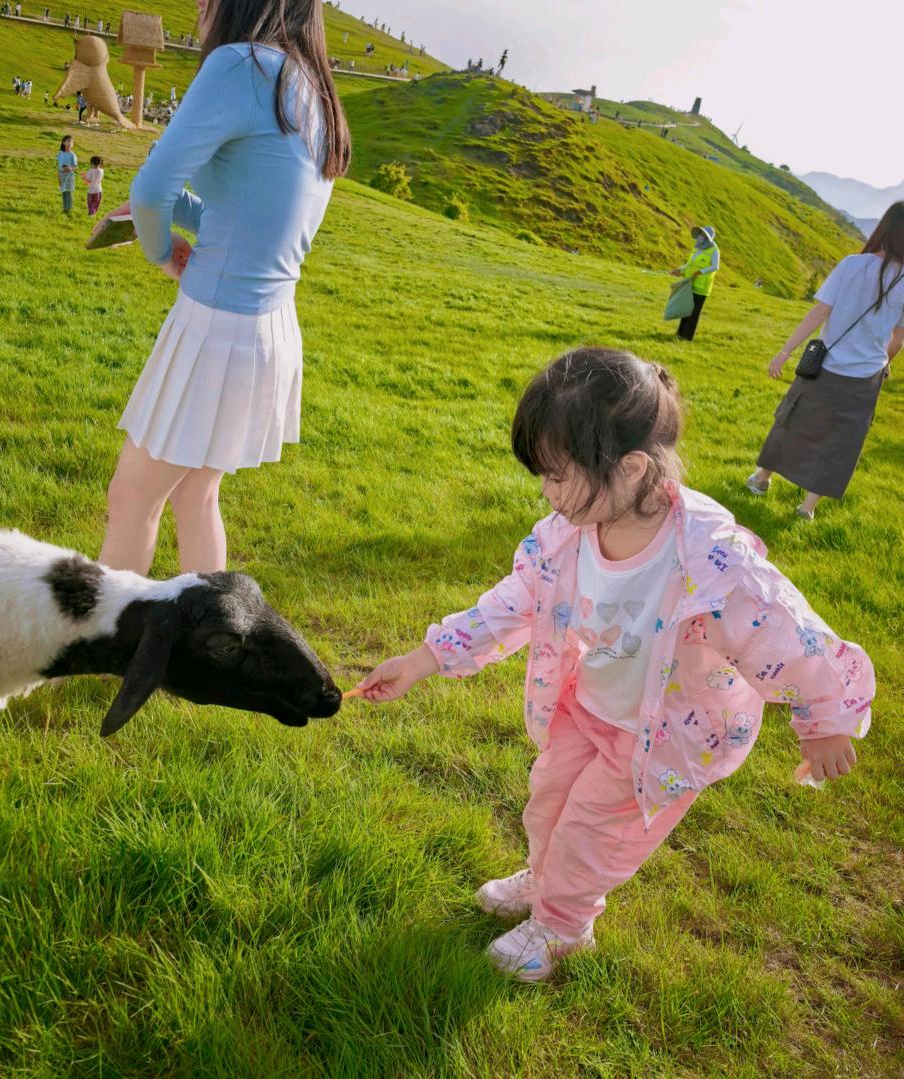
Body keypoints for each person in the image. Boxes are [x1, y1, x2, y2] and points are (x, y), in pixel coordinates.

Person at [353, 347, 874, 984]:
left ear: (630, 467)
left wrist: (824, 720)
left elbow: (786, 632)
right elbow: (511, 603)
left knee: (592, 833)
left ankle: (564, 926)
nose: (546, 493)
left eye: (557, 476)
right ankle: (545, 880)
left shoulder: (708, 557)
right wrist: (423, 659)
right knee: (548, 802)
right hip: (588, 705)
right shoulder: (568, 534)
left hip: (662, 733)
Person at [99, 0, 351, 576]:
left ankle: (108, 633)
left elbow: (150, 191)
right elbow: (254, 214)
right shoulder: (312, 85)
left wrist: (161, 252)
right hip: (267, 327)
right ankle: (213, 634)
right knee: (196, 495)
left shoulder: (241, 65)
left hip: (216, 327)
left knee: (132, 498)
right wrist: (170, 216)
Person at [747, 201, 904, 520]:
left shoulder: (852, 265)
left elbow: (820, 312)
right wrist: (884, 362)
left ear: (884, 228)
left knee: (792, 419)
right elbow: (897, 339)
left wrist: (785, 351)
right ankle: (807, 509)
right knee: (841, 441)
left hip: (826, 366)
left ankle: (762, 479)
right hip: (866, 377)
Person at [669, 225, 719, 340]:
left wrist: (701, 272)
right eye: (701, 234)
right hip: (690, 283)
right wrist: (679, 270)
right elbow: (689, 264)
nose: (701, 237)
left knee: (694, 313)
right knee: (686, 309)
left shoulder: (714, 250)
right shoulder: (697, 248)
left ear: (709, 238)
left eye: (704, 235)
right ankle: (680, 334)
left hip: (701, 287)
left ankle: (687, 337)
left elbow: (715, 266)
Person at [56, 135, 77, 213]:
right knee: (63, 192)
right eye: (68, 141)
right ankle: (65, 208)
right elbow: (58, 165)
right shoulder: (60, 153)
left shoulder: (72, 155)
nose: (70, 143)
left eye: (71, 141)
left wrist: (69, 168)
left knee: (68, 192)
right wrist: (58, 175)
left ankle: (68, 209)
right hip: (61, 175)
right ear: (63, 143)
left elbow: (75, 167)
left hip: (69, 176)